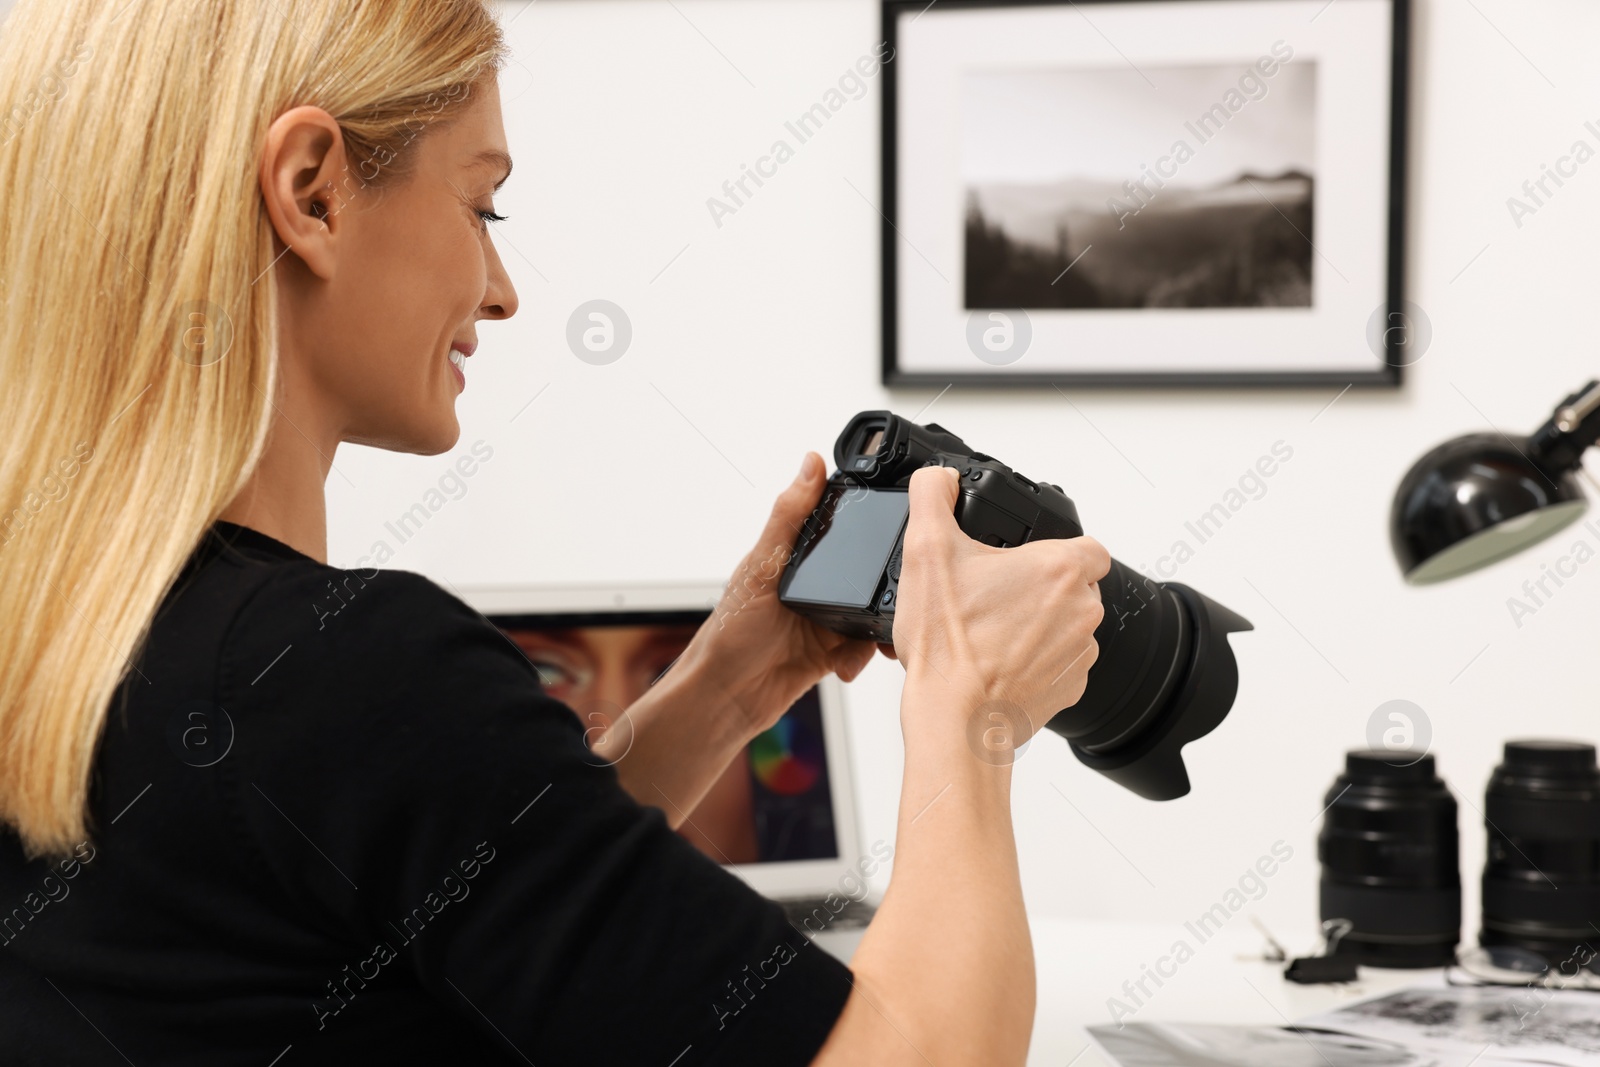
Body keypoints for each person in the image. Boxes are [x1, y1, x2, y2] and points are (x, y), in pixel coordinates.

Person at [0, 2, 1109, 1064]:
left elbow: (457, 890)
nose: (502, 291)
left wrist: (727, 682)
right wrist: (974, 705)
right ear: (312, 194)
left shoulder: (71, 646)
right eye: (484, 207)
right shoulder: (342, 666)